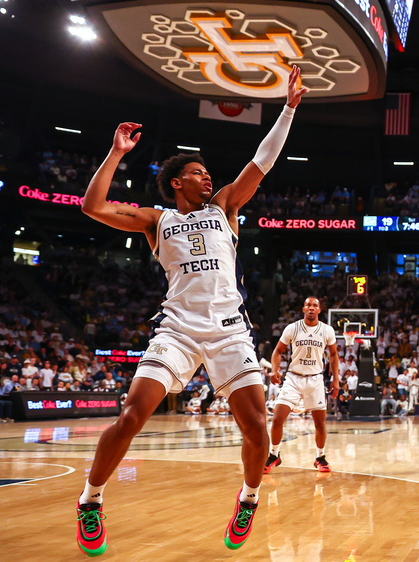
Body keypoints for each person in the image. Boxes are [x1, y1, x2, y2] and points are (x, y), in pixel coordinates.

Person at [74, 64, 308, 556]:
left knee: (257, 429)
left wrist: (288, 108)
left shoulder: (225, 207)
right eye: (199, 174)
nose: (209, 179)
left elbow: (261, 163)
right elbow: (92, 206)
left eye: (208, 174)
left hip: (229, 332)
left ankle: (248, 499)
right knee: (132, 416)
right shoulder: (155, 220)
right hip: (177, 329)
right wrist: (116, 154)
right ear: (178, 182)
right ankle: (90, 500)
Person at [264, 296, 340, 475]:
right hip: (293, 378)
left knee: (320, 423)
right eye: (308, 305)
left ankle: (320, 457)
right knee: (277, 418)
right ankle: (274, 455)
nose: (312, 308)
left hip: (315, 379)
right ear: (303, 309)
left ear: (319, 310)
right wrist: (275, 369)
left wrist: (336, 379)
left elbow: (334, 355)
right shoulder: (293, 328)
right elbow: (278, 351)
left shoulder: (327, 330)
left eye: (315, 305)